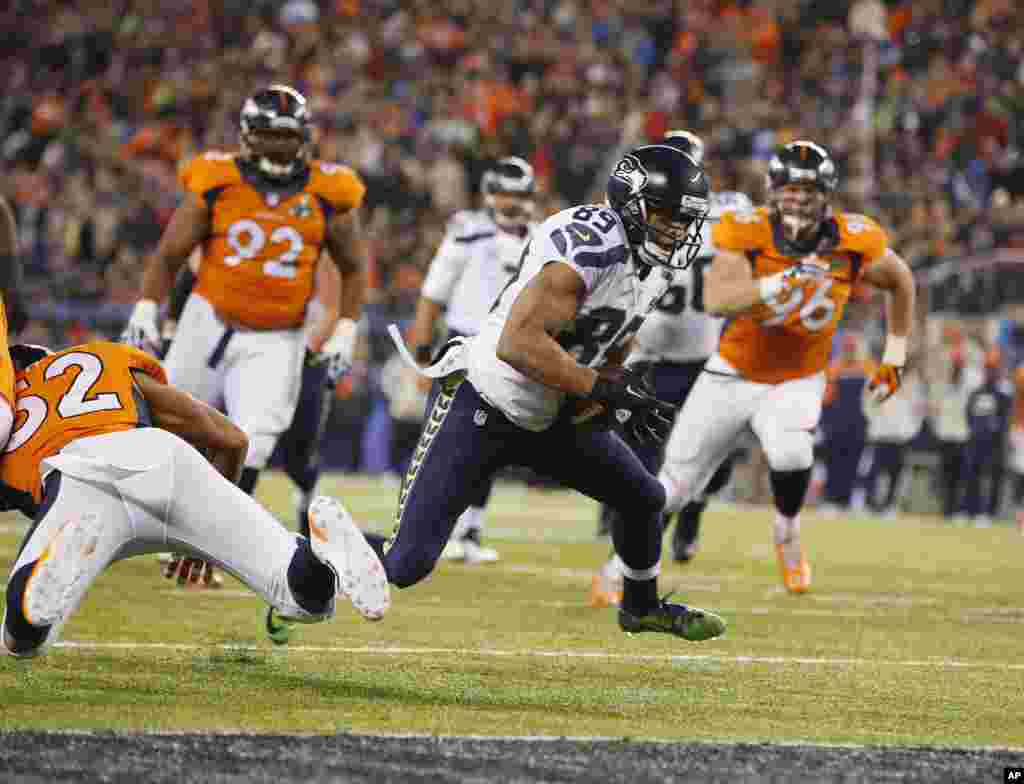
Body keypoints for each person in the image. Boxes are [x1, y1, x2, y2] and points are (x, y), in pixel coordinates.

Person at [366, 143, 725, 642]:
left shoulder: (656, 263)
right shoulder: (590, 243)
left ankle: (640, 607)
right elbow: (519, 343)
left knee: (644, 496)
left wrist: (608, 399)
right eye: (666, 215)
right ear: (631, 201)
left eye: (686, 220)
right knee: (406, 563)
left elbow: (615, 336)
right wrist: (604, 388)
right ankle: (298, 561)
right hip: (486, 399)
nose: (678, 231)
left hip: (553, 410)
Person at [121, 85, 369, 583]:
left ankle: (211, 547)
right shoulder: (218, 178)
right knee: (168, 428)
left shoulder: (328, 191)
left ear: (303, 138)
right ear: (248, 137)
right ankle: (140, 528)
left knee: (250, 443)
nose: (279, 147)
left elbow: (354, 267)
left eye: (287, 137)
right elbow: (171, 253)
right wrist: (149, 304)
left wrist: (346, 325)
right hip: (206, 323)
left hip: (277, 338)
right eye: (269, 136)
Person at [0, 341, 388, 659]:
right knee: (297, 595)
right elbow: (231, 438)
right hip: (164, 459)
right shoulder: (104, 363)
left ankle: (51, 571)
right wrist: (204, 529)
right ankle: (320, 557)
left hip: (82, 482)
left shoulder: (12, 416)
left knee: (22, 637)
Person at [657, 140, 917, 593]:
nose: (798, 198)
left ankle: (787, 532)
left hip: (797, 375)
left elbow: (900, 280)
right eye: (789, 188)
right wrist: (784, 279)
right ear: (772, 190)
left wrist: (894, 354)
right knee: (675, 485)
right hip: (732, 371)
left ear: (827, 194)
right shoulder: (747, 229)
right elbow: (718, 300)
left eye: (808, 189)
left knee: (793, 453)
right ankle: (623, 567)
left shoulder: (854, 238)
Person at [590, 130, 743, 608]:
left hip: (703, 355)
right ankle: (629, 534)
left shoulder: (727, 214)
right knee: (641, 459)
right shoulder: (637, 211)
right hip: (645, 354)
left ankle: (693, 506)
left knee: (713, 459)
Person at [408, 157, 537, 565]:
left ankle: (471, 531)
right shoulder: (468, 232)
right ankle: (424, 529)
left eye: (519, 194)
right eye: (504, 193)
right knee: (443, 442)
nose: (512, 202)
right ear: (489, 194)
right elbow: (432, 296)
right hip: (463, 345)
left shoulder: (542, 238)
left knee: (491, 445)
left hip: (512, 352)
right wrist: (422, 352)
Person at [962, 349, 1012, 526]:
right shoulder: (976, 394)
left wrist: (996, 430)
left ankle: (990, 512)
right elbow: (968, 414)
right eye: (988, 369)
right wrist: (976, 430)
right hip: (976, 443)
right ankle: (971, 510)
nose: (990, 372)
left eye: (993, 369)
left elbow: (1006, 419)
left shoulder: (1003, 396)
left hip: (995, 445)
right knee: (972, 476)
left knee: (993, 478)